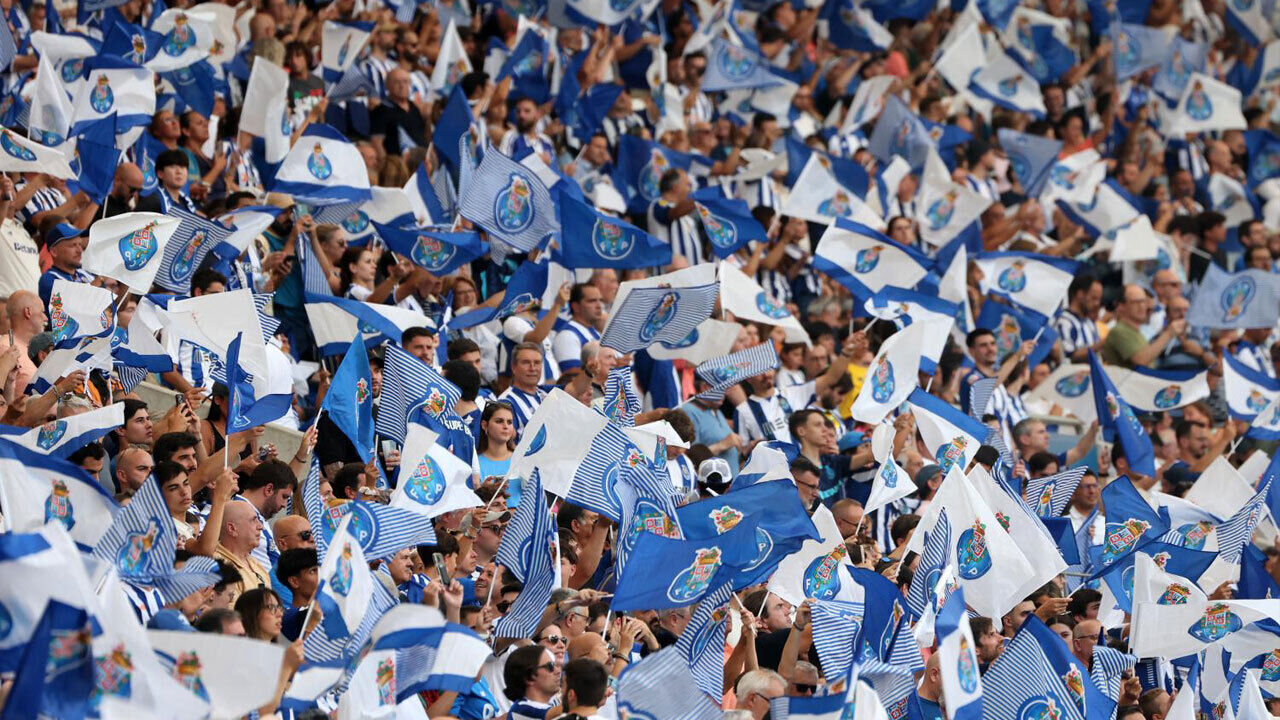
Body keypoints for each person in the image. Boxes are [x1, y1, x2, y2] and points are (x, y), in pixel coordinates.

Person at [477, 401, 519, 504]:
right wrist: (483, 491)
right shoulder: (475, 463)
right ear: (484, 425)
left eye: (509, 422)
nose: (505, 426)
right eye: (499, 421)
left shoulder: (523, 459)